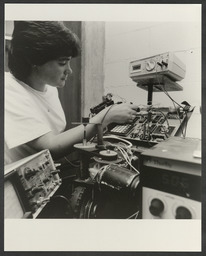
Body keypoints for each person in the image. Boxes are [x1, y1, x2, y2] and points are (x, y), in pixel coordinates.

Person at [5, 21, 139, 165]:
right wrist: (106, 117)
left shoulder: (50, 89)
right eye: (62, 63)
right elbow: (51, 147)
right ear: (34, 61)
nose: (69, 70)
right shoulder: (8, 89)